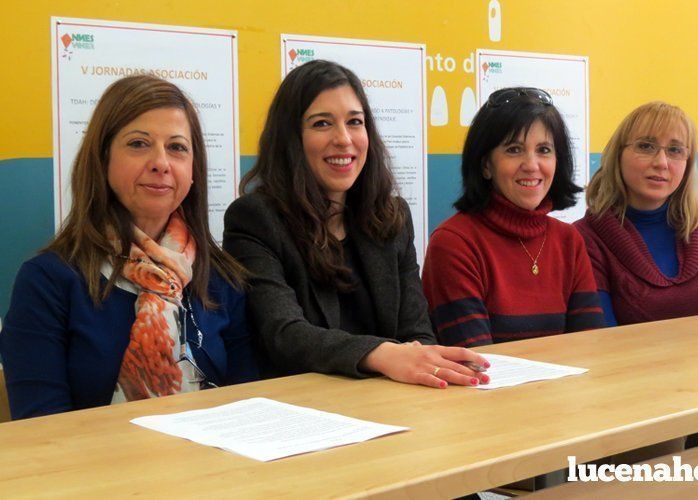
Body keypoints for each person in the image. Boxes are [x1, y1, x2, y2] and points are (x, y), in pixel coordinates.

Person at [0, 75, 258, 420]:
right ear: (102, 159)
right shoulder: (47, 281)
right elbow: (40, 430)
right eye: (138, 144)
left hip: (211, 467)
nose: (161, 163)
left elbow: (249, 407)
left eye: (177, 148)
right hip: (95, 470)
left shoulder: (223, 277)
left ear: (193, 169)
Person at [223, 60, 489, 388]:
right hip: (304, 406)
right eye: (322, 123)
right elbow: (285, 335)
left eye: (355, 122)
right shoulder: (254, 218)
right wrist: (382, 354)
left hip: (388, 401)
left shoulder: (393, 217)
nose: (344, 139)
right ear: (291, 138)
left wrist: (428, 367)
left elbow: (417, 331)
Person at [422, 87, 604, 348]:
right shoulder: (454, 243)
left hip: (566, 389)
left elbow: (590, 347)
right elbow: (478, 362)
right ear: (486, 165)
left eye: (543, 150)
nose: (532, 164)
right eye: (514, 149)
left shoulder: (568, 241)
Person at [575, 101, 698, 327]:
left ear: (688, 163)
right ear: (618, 155)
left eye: (675, 150)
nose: (661, 162)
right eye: (646, 146)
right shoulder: (586, 239)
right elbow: (601, 341)